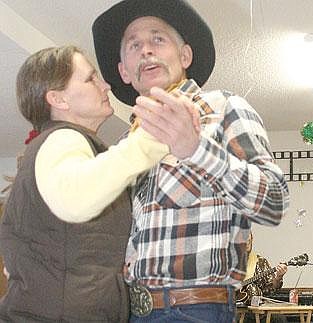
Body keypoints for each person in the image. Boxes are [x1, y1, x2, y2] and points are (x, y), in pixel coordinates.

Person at [92, 0, 290, 322]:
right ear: (123, 71)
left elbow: (274, 202)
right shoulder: (123, 146)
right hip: (125, 310)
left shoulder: (224, 108)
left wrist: (196, 150)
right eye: (134, 45)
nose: (146, 51)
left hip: (194, 310)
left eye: (158, 39)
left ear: (185, 55)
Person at [0, 45, 173, 322]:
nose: (105, 85)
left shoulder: (66, 149)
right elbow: (74, 198)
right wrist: (156, 138)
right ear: (58, 99)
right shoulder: (62, 139)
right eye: (91, 78)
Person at [239, 231, 288, 323]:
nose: (246, 244)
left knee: (279, 319)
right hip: (236, 310)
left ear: (252, 239)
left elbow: (272, 286)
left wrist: (278, 277)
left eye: (249, 241)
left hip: (260, 310)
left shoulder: (260, 262)